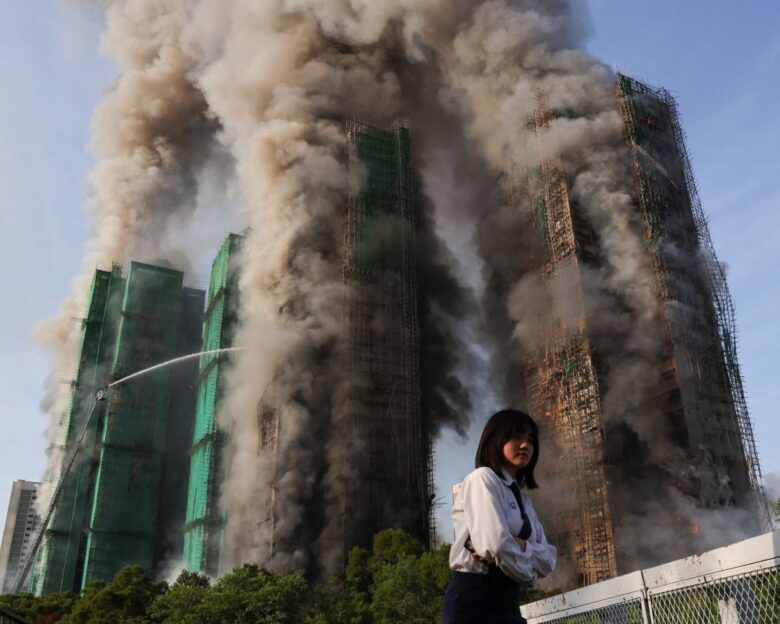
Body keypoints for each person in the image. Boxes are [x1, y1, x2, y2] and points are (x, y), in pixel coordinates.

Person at [441, 409, 556, 624]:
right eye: (516, 436)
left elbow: (548, 558)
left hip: (508, 600)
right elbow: (494, 544)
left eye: (530, 440)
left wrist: (520, 546)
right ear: (496, 439)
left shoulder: (523, 499)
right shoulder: (482, 479)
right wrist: (527, 568)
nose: (525, 445)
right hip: (473, 600)